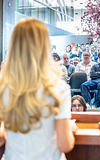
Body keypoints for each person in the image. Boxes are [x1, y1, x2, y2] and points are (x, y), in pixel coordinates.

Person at [0, 18, 76, 160]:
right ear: (44, 46)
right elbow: (65, 144)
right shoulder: (58, 88)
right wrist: (69, 130)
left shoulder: (3, 86)